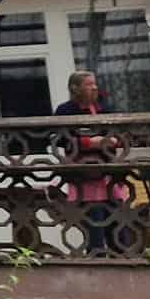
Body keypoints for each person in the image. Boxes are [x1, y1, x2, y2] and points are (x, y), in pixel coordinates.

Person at [54, 69, 130, 256]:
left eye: (94, 83)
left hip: (110, 173)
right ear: (75, 88)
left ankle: (123, 263)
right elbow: (62, 139)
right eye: (89, 84)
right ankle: (99, 264)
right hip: (85, 176)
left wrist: (114, 140)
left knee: (119, 226)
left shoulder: (105, 107)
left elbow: (120, 133)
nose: (94, 87)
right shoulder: (65, 110)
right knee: (94, 227)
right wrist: (90, 142)